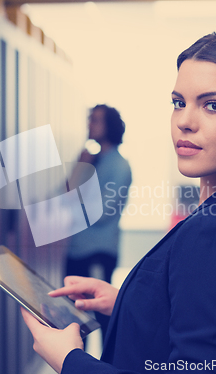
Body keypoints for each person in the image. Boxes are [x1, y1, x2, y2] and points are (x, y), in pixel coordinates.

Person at [21, 28, 216, 374]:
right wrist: (130, 303)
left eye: (213, 105)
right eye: (179, 103)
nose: (184, 122)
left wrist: (69, 360)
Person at [65, 104, 132, 345]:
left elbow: (102, 213)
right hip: (77, 248)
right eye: (89, 119)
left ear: (109, 126)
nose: (90, 125)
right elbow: (68, 195)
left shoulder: (120, 166)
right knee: (73, 315)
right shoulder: (91, 160)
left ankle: (106, 366)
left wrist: (78, 192)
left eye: (96, 120)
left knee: (102, 316)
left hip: (99, 251)